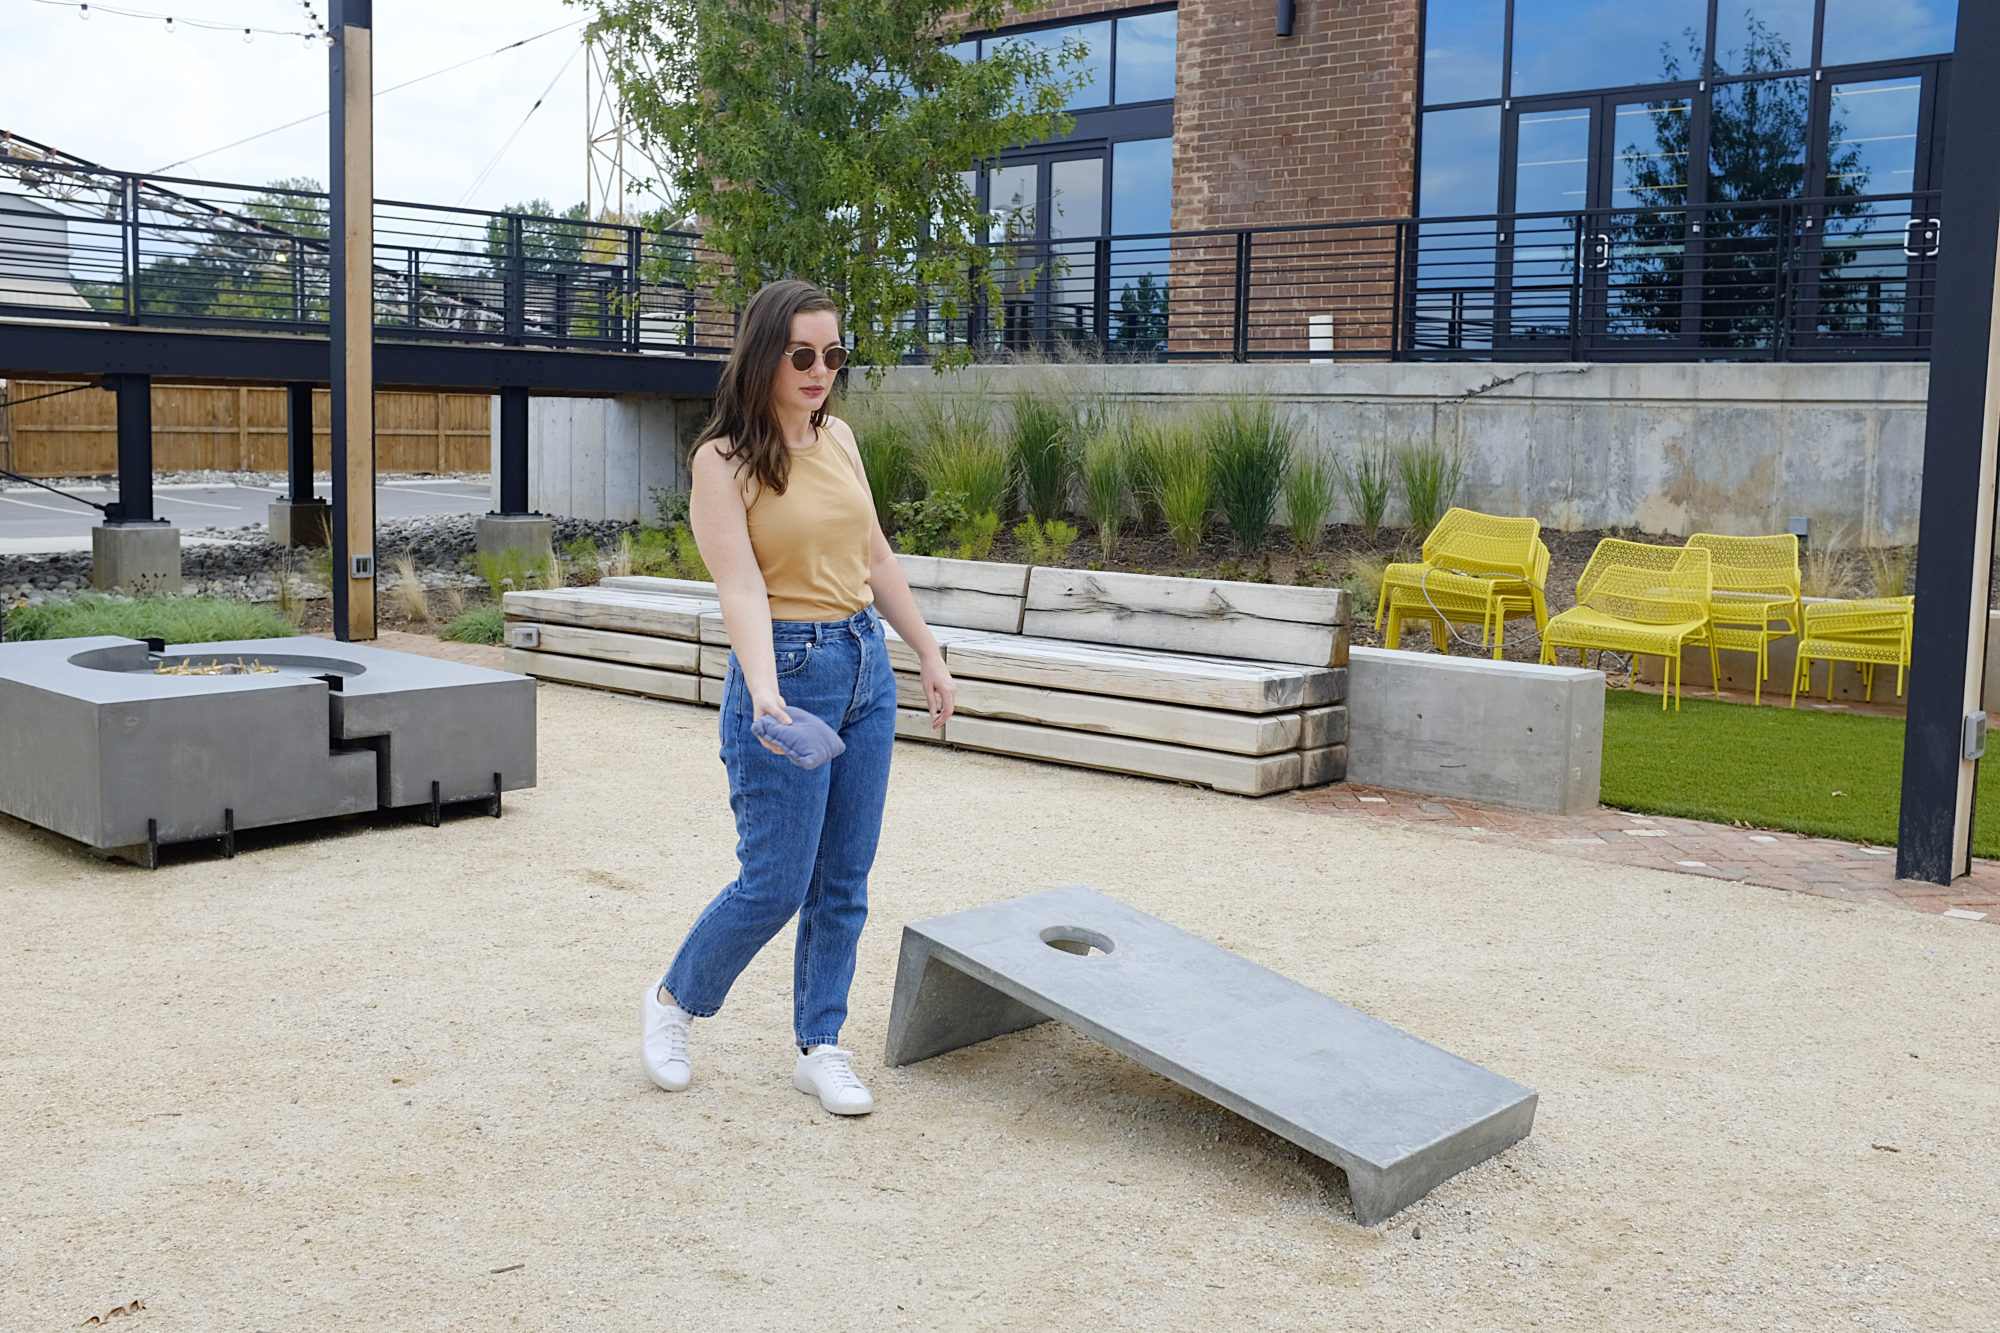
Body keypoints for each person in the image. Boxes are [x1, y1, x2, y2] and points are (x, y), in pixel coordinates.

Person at [640, 279, 956, 1115]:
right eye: (804, 355)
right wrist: (767, 692)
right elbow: (738, 586)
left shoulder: (840, 437)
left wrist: (926, 651)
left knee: (844, 878)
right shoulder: (723, 461)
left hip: (863, 663)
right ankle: (675, 1002)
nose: (823, 370)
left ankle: (820, 1045)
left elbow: (876, 555)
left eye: (836, 354)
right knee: (775, 881)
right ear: (764, 355)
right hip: (783, 668)